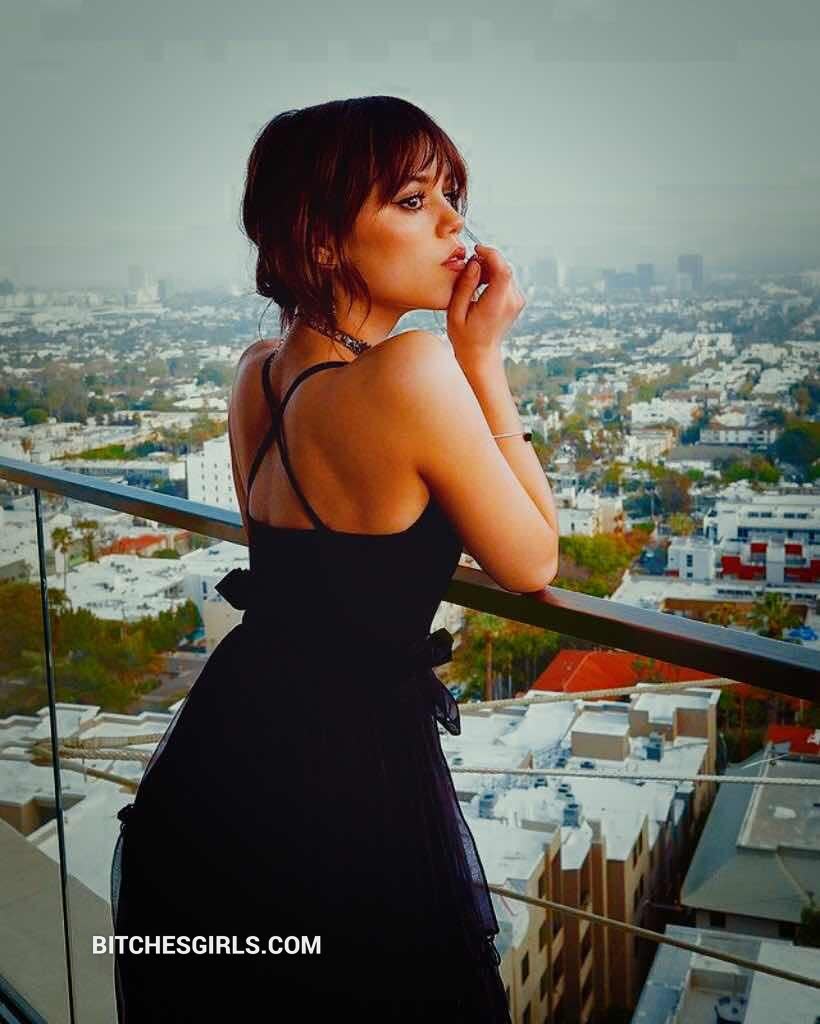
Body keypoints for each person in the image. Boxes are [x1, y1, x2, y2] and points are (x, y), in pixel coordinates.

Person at [110, 95, 558, 1022]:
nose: (453, 223)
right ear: (320, 241)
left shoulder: (256, 375)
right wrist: (483, 360)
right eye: (413, 201)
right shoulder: (413, 370)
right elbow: (533, 560)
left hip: (224, 758)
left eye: (451, 196)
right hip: (348, 782)